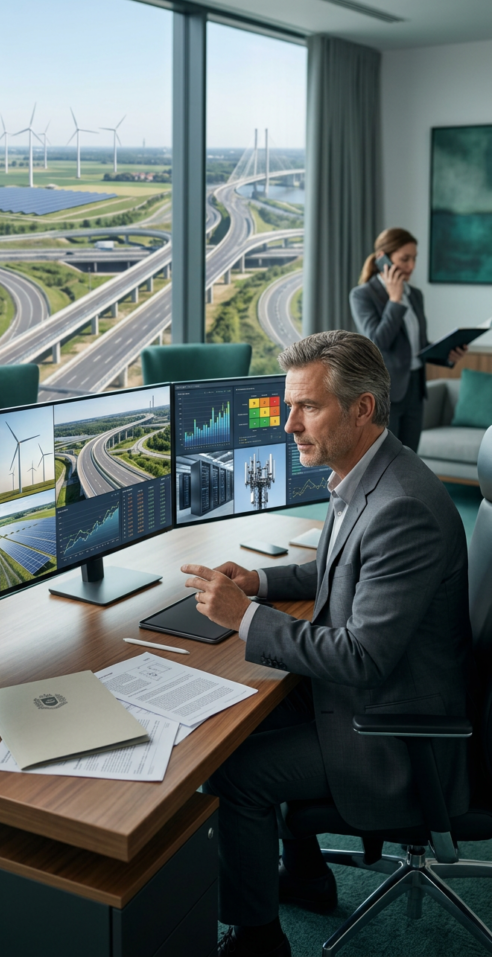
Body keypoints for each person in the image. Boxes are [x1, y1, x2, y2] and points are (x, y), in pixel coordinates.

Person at [181, 330, 473, 957]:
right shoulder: (369, 472)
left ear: (362, 408)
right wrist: (260, 582)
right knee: (234, 717)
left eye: (308, 407)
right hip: (380, 694)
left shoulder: (403, 507)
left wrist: (244, 619)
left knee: (234, 772)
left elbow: (362, 657)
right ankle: (307, 876)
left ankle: (258, 942)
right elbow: (341, 567)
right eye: (290, 406)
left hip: (396, 731)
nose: (290, 425)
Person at [350, 227, 466, 452]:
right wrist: (394, 300)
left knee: (411, 457)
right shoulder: (362, 295)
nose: (411, 266)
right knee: (386, 459)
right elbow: (377, 342)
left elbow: (418, 346)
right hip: (387, 391)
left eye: (414, 259)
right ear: (383, 258)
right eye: (405, 259)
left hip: (415, 388)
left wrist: (447, 354)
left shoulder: (415, 295)